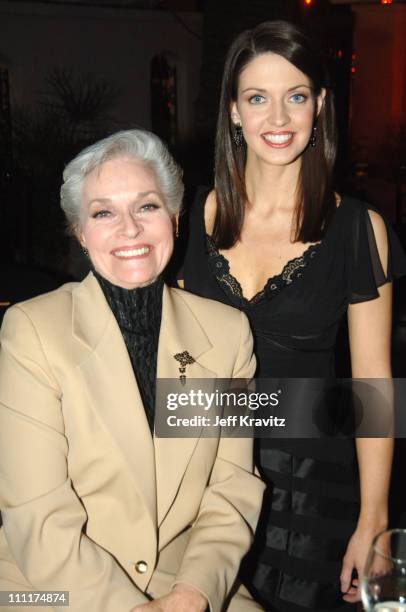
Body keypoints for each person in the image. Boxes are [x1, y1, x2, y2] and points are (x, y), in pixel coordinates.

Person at [178, 20, 406, 612]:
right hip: (202, 486)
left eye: (296, 96)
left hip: (316, 497)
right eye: (258, 98)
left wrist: (374, 524)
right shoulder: (185, 221)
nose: (278, 118)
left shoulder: (360, 230)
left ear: (320, 106)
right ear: (233, 111)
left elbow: (373, 391)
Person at [0, 129, 265, 612]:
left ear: (175, 218)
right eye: (103, 212)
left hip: (184, 578)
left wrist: (193, 593)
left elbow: (232, 486)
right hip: (55, 586)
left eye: (146, 206)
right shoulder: (31, 332)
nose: (129, 229)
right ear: (80, 233)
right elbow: (38, 518)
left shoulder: (227, 335)